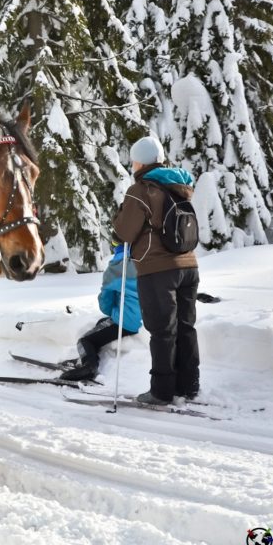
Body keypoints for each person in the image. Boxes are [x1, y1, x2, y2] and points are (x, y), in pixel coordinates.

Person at [113, 136, 200, 405]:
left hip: (157, 268)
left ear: (140, 161)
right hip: (189, 265)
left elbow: (124, 232)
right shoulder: (179, 185)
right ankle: (188, 385)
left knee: (162, 330)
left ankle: (161, 391)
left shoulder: (141, 189)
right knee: (186, 327)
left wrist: (119, 219)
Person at [59, 238, 142, 381]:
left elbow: (105, 306)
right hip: (147, 319)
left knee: (84, 340)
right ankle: (86, 358)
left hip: (127, 322)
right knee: (101, 323)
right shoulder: (144, 262)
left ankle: (89, 366)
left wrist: (113, 306)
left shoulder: (116, 268)